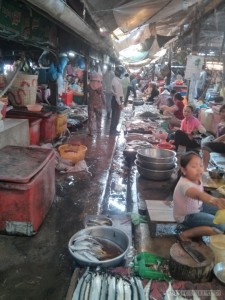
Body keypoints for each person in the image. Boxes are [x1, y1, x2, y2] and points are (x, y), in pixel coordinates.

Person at [173, 151, 225, 236]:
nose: (199, 169)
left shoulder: (196, 178)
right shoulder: (185, 184)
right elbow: (198, 194)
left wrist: (215, 201)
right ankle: (185, 234)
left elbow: (201, 193)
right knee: (222, 227)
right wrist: (215, 201)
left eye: (201, 165)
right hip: (186, 217)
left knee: (222, 212)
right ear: (183, 170)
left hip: (198, 207)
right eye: (194, 166)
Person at [202, 104, 225, 170]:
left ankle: (204, 169)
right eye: (222, 111)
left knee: (206, 146)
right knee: (205, 141)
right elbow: (217, 135)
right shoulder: (221, 122)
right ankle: (205, 166)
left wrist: (215, 141)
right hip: (221, 143)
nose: (223, 114)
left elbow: (223, 136)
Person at [109, 66, 124, 135]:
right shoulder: (116, 81)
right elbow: (117, 95)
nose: (123, 74)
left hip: (116, 99)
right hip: (116, 100)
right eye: (122, 73)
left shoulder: (116, 79)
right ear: (119, 73)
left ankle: (114, 129)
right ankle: (112, 131)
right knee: (115, 117)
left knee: (116, 116)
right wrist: (120, 104)